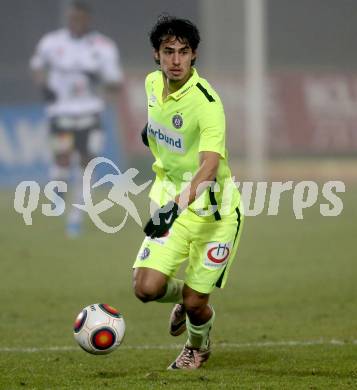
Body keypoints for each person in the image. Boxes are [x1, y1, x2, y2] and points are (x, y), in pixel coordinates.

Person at [133, 15, 244, 370]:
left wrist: (176, 206)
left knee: (197, 305)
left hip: (215, 216)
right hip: (173, 203)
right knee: (145, 288)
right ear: (157, 55)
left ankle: (197, 347)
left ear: (194, 55)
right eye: (169, 52)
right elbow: (159, 124)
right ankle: (185, 296)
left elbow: (209, 167)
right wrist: (149, 135)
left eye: (183, 52)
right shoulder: (152, 85)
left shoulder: (207, 103)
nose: (176, 60)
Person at [30, 1, 133, 237]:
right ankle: (58, 189)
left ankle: (75, 218)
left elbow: (116, 83)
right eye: (73, 18)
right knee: (62, 161)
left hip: (90, 114)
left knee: (87, 165)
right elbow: (37, 67)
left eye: (81, 19)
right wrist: (44, 86)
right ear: (69, 18)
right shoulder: (51, 42)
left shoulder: (103, 47)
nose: (76, 23)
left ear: (88, 19)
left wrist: (100, 79)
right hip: (61, 113)